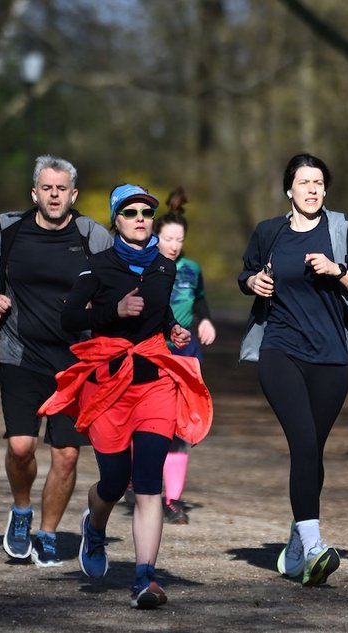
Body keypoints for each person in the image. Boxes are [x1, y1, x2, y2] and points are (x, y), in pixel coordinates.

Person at [38, 184, 212, 609]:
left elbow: (162, 309)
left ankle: (145, 578)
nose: (140, 218)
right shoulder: (97, 267)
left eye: (146, 213)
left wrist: (173, 327)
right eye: (130, 212)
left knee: (148, 482)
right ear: (115, 220)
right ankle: (94, 527)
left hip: (155, 382)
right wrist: (111, 313)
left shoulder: (165, 267)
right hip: (111, 387)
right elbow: (68, 319)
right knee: (115, 482)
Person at [237, 153, 348, 586]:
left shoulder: (344, 230)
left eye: (319, 182)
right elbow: (245, 273)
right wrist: (252, 283)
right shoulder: (270, 232)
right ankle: (316, 544)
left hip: (331, 359)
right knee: (302, 440)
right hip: (280, 350)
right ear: (289, 189)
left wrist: (338, 272)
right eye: (304, 182)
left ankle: (299, 540)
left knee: (312, 452)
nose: (312, 189)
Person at [0, 155, 112, 567]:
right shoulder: (8, 230)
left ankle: (48, 533)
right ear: (35, 193)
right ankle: (21, 510)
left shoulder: (92, 236)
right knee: (20, 446)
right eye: (46, 188)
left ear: (73, 194)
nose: (53, 195)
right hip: (21, 355)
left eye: (61, 189)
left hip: (74, 363)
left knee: (66, 454)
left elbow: (116, 276)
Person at [152, 186, 216, 525]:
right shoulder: (146, 266)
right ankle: (140, 480)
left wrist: (205, 321)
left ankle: (173, 499)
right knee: (150, 424)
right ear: (155, 237)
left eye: (179, 239)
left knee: (181, 429)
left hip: (187, 356)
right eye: (168, 239)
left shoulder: (191, 269)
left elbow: (201, 300)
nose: (174, 246)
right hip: (154, 353)